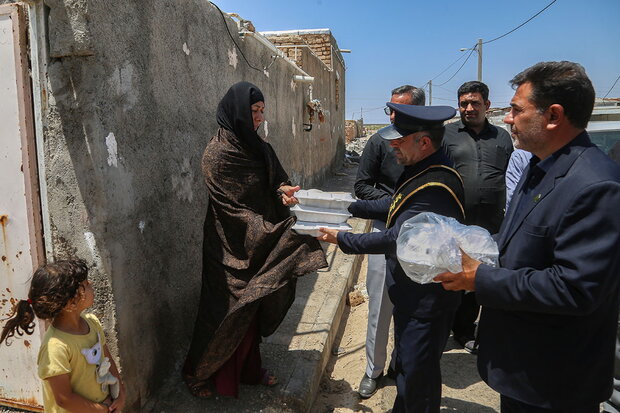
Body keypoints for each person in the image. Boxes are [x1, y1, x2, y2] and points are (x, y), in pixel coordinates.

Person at [435, 61, 620, 412]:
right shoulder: (539, 165)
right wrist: (472, 243)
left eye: (517, 110)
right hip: (523, 367)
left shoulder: (597, 185)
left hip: (554, 378)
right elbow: (519, 238)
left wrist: (481, 278)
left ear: (553, 115)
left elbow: (575, 288)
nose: (508, 119)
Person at [182, 81, 327, 398]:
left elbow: (277, 181)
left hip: (262, 238)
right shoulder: (217, 154)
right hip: (229, 245)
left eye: (262, 111)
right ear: (236, 112)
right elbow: (231, 208)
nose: (259, 117)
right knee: (224, 313)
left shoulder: (261, 147)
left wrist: (284, 192)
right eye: (253, 111)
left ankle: (248, 370)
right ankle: (199, 373)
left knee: (253, 309)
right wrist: (273, 233)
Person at [319, 103, 464, 413]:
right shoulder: (421, 171)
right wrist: (346, 206)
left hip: (427, 302)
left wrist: (342, 238)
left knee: (418, 379)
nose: (392, 146)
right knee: (409, 373)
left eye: (399, 140)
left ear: (423, 142)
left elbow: (396, 237)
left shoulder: (436, 184)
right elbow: (393, 205)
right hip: (413, 295)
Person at [353, 84, 425, 398]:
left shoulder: (431, 143)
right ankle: (374, 370)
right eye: (390, 108)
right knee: (380, 307)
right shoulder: (378, 141)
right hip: (383, 232)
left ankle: (400, 364)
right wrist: (396, 202)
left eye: (400, 109)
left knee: (412, 307)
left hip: (422, 237)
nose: (393, 115)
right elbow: (362, 186)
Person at [441, 81, 513, 353]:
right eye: (463, 104)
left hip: (491, 222)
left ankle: (464, 330)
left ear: (487, 106)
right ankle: (441, 329)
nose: (469, 108)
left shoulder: (502, 137)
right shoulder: (446, 134)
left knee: (478, 275)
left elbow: (512, 174)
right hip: (455, 220)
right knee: (449, 271)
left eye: (475, 103)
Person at [0, 259, 126, 413]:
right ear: (71, 303)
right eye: (85, 284)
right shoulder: (55, 347)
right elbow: (64, 399)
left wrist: (120, 394)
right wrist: (103, 410)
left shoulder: (92, 323)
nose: (91, 283)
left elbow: (107, 359)